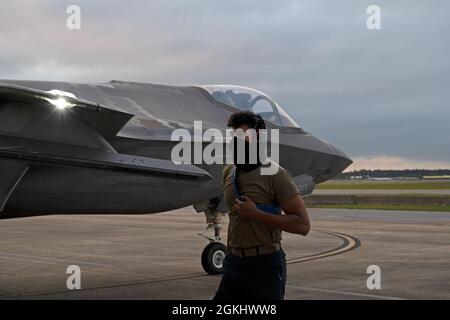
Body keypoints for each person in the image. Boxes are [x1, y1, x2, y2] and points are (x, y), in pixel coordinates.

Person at [213, 111, 311, 300]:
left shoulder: (276, 175)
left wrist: (258, 214)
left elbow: (303, 225)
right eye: (234, 136)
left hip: (264, 265)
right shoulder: (229, 172)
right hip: (233, 263)